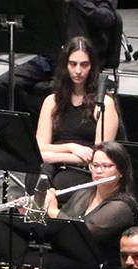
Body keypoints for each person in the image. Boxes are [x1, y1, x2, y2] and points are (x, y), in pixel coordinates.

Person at [1, 141, 138, 269]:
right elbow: (56, 231)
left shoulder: (122, 207)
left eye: (106, 166)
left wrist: (52, 210)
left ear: (121, 171)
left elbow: (82, 234)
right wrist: (35, 210)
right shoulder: (83, 195)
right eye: (95, 165)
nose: (98, 171)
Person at [0, 0, 120, 111]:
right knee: (3, 84)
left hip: (82, 61)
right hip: (49, 57)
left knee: (60, 91)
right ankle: (31, 126)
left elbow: (107, 18)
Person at [37, 38, 122, 191]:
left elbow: (100, 156)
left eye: (84, 65)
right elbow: (39, 148)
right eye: (73, 64)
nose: (78, 71)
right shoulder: (51, 101)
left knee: (62, 182)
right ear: (65, 65)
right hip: (56, 163)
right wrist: (72, 147)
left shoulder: (104, 103)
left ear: (92, 67)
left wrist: (55, 156)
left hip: (83, 168)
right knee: (37, 179)